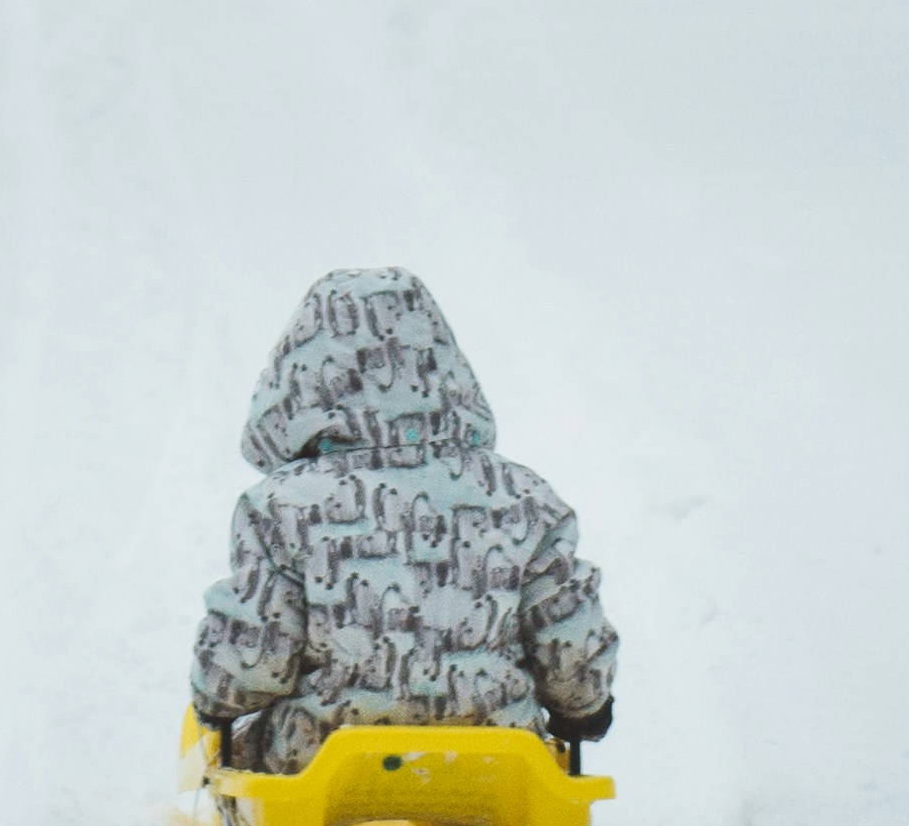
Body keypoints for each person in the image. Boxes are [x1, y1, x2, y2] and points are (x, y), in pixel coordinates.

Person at [186, 266, 617, 774]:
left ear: (298, 382)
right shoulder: (523, 498)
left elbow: (254, 653)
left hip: (321, 756)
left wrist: (217, 702)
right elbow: (565, 633)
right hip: (498, 754)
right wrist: (583, 708)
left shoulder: (281, 506)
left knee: (237, 747)